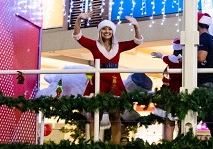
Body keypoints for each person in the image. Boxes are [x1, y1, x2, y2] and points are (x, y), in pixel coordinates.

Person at [73, 13, 142, 142]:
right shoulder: (94, 45)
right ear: (100, 31)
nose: (107, 31)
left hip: (114, 84)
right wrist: (78, 19)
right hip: (98, 83)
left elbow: (136, 41)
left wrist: (136, 26)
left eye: (109, 29)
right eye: (104, 29)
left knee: (115, 117)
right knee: (95, 117)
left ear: (113, 32)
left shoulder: (119, 46)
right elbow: (78, 36)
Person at [196, 12, 213, 140]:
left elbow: (201, 57)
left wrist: (185, 59)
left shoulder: (203, 39)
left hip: (203, 83)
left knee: (194, 114)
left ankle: (183, 144)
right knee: (210, 117)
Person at [151, 38, 183, 141]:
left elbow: (164, 57)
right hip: (184, 92)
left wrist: (160, 55)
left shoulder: (171, 59)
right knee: (183, 121)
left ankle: (168, 147)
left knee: (170, 121)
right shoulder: (188, 59)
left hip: (172, 91)